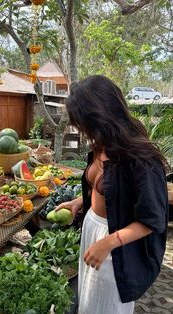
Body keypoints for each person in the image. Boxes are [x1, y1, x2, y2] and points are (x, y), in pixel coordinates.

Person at [55, 75, 168, 314]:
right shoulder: (101, 143)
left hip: (117, 243)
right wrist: (78, 202)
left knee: (107, 305)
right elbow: (108, 191)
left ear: (100, 116)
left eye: (82, 123)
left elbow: (152, 220)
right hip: (92, 231)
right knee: (88, 302)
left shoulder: (141, 158)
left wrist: (108, 242)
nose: (81, 130)